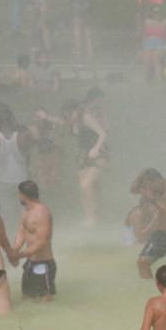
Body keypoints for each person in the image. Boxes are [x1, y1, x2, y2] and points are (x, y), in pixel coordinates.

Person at [9, 181, 56, 301]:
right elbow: (21, 233)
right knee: (26, 299)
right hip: (30, 263)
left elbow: (42, 242)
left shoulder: (41, 213)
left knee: (45, 301)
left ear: (22, 194)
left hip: (43, 263)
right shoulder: (27, 211)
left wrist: (20, 255)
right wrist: (14, 251)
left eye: (19, 194)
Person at [74, 89, 107, 227]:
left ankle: (93, 219)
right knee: (86, 188)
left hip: (97, 154)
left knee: (86, 185)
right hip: (83, 155)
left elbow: (103, 133)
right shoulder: (79, 118)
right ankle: (90, 217)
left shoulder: (88, 116)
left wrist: (96, 148)